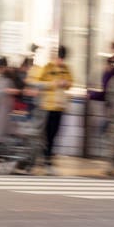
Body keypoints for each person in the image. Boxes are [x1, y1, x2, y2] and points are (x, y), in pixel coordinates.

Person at [34, 45, 73, 175]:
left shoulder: (66, 69)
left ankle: (47, 160)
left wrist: (65, 84)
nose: (60, 61)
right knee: (45, 135)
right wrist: (53, 84)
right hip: (46, 107)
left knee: (54, 135)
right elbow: (37, 83)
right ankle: (45, 160)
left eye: (62, 58)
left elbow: (70, 83)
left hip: (59, 107)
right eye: (59, 57)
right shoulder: (47, 67)